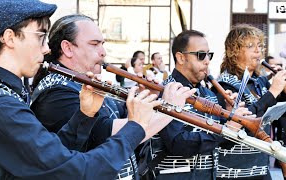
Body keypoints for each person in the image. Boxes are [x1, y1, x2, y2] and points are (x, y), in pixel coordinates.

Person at [0, 0, 191, 179]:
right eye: (41, 37)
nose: (46, 49)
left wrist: (84, 116)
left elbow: (52, 156)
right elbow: (75, 171)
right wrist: (136, 126)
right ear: (9, 38)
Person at [30, 14, 196, 180]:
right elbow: (113, 134)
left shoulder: (84, 82)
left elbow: (127, 118)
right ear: (67, 48)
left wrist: (149, 98)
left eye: (102, 44)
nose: (103, 52)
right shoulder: (57, 92)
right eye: (94, 44)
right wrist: (169, 108)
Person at [139, 30, 247, 180]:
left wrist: (231, 119)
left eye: (209, 55)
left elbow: (222, 144)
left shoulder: (208, 94)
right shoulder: (165, 92)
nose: (207, 61)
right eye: (201, 55)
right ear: (181, 57)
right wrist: (225, 130)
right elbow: (179, 144)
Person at [216, 24, 286, 179]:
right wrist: (273, 92)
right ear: (234, 52)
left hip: (261, 168)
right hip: (235, 171)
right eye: (250, 46)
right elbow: (245, 121)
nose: (258, 50)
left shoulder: (259, 82)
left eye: (260, 46)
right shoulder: (225, 84)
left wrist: (283, 93)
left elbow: (276, 114)